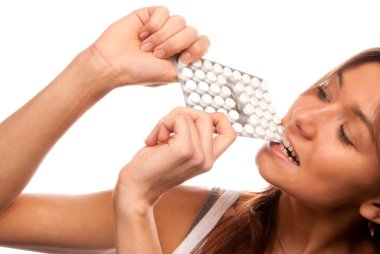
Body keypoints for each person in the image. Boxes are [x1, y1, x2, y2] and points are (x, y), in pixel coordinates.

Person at [1, 6, 380, 254]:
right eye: (323, 91)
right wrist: (95, 71)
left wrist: (134, 204)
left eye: (346, 133)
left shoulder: (149, 209)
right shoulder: (192, 214)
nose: (304, 118)